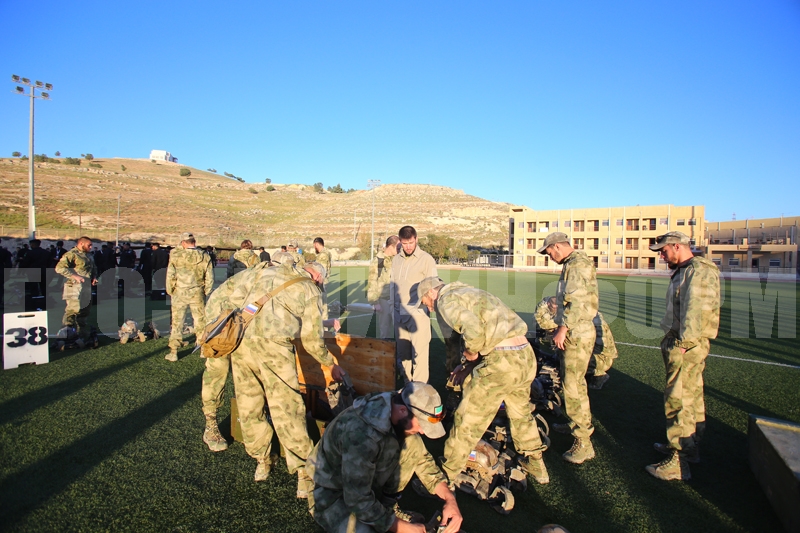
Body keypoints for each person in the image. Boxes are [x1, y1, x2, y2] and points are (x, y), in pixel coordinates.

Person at [203, 258, 345, 490]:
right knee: (286, 408)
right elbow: (312, 341)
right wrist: (330, 364)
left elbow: (222, 294)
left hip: (242, 344)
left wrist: (209, 326)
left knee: (249, 407)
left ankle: (262, 460)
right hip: (274, 351)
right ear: (318, 277)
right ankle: (304, 473)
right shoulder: (310, 289)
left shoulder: (262, 272)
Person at [418, 277, 550, 487]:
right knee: (521, 414)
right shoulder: (470, 292)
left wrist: (470, 353)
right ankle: (535, 462)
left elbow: (474, 332)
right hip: (524, 355)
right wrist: (469, 366)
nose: (429, 308)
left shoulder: (445, 300)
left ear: (431, 293)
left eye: (425, 302)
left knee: (468, 420)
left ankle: (447, 474)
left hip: (502, 362)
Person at [306, 381, 462, 533]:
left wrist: (450, 499)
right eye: (421, 425)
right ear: (403, 410)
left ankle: (386, 508)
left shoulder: (397, 404)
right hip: (331, 492)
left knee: (413, 443)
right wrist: (401, 527)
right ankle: (384, 517)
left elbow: (423, 461)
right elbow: (357, 500)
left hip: (358, 485)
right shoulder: (362, 435)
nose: (422, 431)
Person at [646, 231, 720, 481]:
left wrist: (683, 345)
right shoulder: (686, 269)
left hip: (686, 344)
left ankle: (678, 461)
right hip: (685, 342)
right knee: (691, 396)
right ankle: (689, 448)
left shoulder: (697, 271)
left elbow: (696, 310)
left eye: (664, 251)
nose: (662, 256)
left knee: (678, 399)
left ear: (677, 246)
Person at [539, 232, 599, 464]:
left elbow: (576, 301)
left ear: (556, 246)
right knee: (572, 382)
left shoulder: (576, 265)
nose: (550, 257)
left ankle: (583, 442)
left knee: (573, 386)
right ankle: (575, 423)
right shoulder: (574, 263)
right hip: (577, 329)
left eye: (549, 252)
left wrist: (563, 328)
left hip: (576, 331)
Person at [534, 296, 618, 390]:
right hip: (602, 356)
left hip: (598, 360)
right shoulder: (582, 311)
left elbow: (543, 322)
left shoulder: (569, 319)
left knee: (554, 365)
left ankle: (593, 374)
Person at [391, 226, 438, 384]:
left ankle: (419, 391)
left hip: (418, 314)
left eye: (411, 242)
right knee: (403, 355)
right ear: (400, 242)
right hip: (398, 313)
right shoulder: (396, 260)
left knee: (420, 356)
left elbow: (433, 287)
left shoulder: (426, 260)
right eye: (405, 243)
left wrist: (431, 303)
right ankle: (407, 387)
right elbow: (393, 284)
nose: (408, 247)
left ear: (416, 239)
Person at [165, 232, 213, 362]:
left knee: (177, 322)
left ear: (183, 243)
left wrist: (170, 289)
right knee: (200, 321)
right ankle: (202, 348)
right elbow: (209, 277)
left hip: (180, 292)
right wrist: (206, 291)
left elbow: (170, 275)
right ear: (194, 242)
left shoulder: (176, 255)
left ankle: (174, 351)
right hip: (197, 292)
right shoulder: (204, 256)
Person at [55, 236, 98, 346]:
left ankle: (81, 333)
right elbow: (59, 268)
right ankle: (66, 334)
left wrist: (94, 277)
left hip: (86, 286)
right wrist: (74, 276)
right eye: (89, 245)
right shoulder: (72, 254)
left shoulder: (89, 255)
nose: (91, 247)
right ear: (81, 244)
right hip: (74, 286)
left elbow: (93, 267)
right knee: (72, 310)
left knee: (84, 310)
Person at [367, 235, 400, 340]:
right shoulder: (379, 260)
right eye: (398, 247)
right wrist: (375, 302)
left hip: (397, 299)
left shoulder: (397, 259)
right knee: (385, 329)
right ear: (391, 246)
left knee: (400, 328)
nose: (400, 249)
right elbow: (372, 281)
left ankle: (400, 349)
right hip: (384, 299)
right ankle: (385, 349)